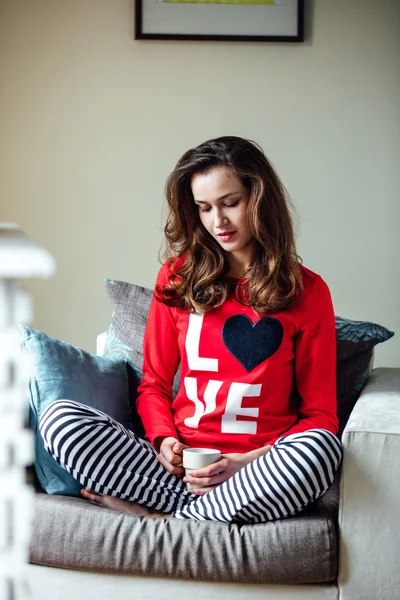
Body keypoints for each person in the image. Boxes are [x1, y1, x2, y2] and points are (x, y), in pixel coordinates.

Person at [39, 136, 342, 523]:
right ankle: (201, 518)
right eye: (205, 208)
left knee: (321, 448)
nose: (219, 222)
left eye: (231, 203)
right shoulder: (177, 279)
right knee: (60, 419)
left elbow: (320, 416)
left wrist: (243, 463)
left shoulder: (307, 292)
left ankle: (163, 523)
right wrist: (165, 442)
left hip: (257, 474)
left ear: (259, 198)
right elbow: (154, 385)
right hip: (172, 474)